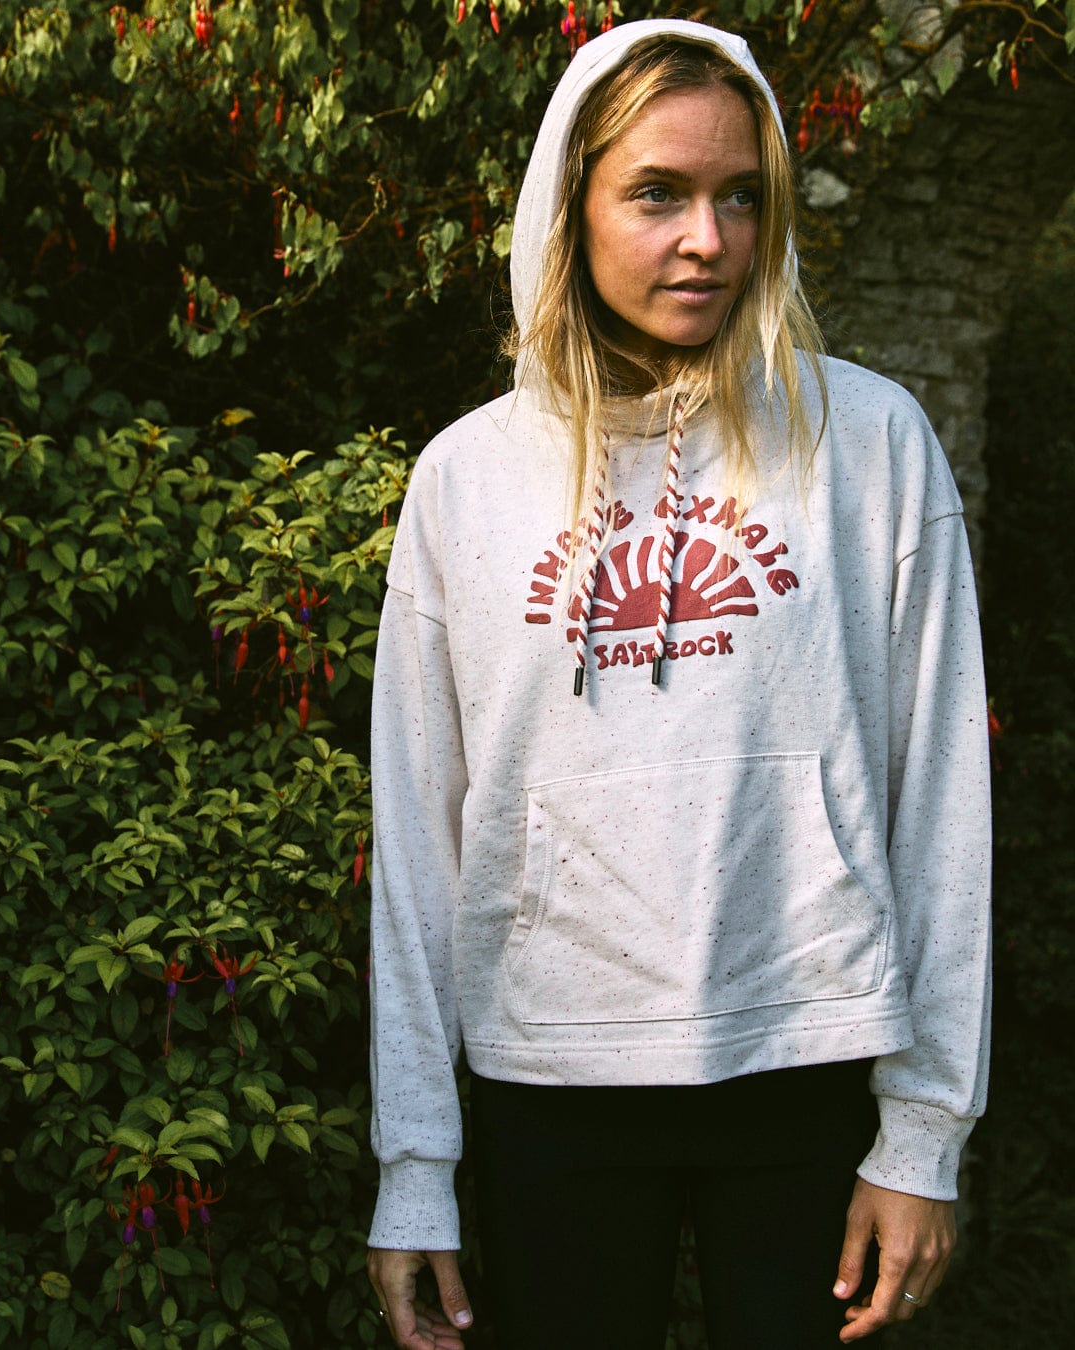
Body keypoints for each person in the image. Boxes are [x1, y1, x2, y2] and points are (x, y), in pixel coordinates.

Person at [366, 17, 990, 1350]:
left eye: (738, 196)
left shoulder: (869, 441)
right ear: (568, 207)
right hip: (552, 1067)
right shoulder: (467, 479)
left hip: (809, 1046)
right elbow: (419, 838)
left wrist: (924, 1129)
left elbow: (942, 793)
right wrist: (416, 1160)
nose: (706, 238)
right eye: (656, 193)